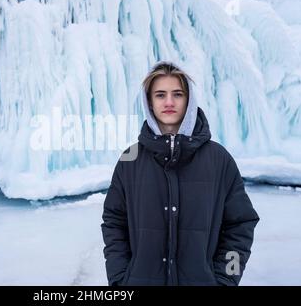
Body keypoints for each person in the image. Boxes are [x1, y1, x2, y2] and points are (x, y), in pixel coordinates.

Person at [101, 61, 260, 286]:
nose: (169, 102)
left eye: (177, 94)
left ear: (189, 100)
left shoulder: (218, 159)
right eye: (160, 95)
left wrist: (226, 277)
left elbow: (241, 223)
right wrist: (119, 278)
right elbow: (114, 222)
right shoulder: (130, 158)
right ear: (149, 102)